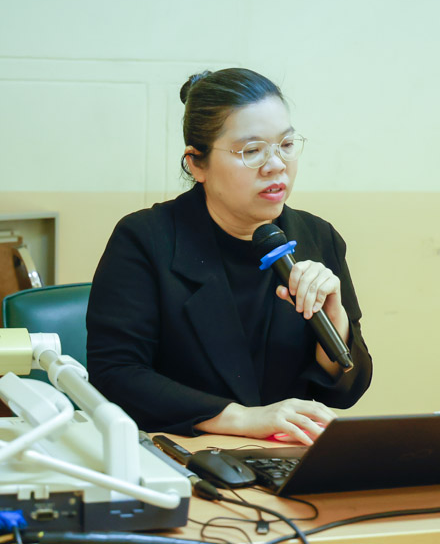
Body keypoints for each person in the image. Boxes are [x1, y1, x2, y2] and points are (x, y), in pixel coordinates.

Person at [86, 68, 372, 445]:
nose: (276, 165)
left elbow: (346, 392)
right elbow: (116, 376)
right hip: (182, 453)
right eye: (252, 151)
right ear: (196, 164)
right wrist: (243, 418)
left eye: (286, 144)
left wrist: (336, 322)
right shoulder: (145, 239)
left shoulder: (317, 237)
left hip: (283, 456)